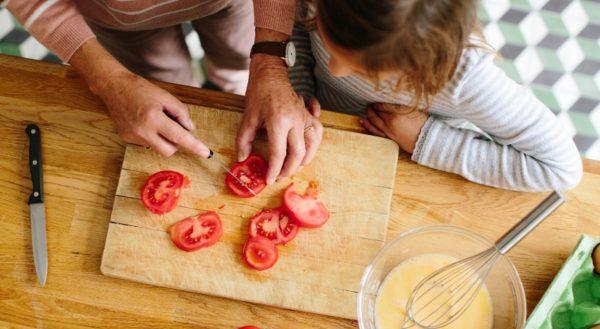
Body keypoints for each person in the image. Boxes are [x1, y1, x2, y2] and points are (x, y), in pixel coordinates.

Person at [6, 0, 318, 184]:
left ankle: (230, 89)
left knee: (235, 62)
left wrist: (268, 60)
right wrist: (110, 82)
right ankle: (186, 107)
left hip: (231, 4)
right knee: (163, 81)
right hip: (122, 21)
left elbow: (261, 58)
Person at [288, 0, 583, 192]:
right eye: (330, 43)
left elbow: (561, 168)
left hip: (409, 170)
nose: (334, 70)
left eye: (365, 72)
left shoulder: (465, 78)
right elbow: (297, 26)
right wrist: (296, 92)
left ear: (421, 65)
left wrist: (426, 139)